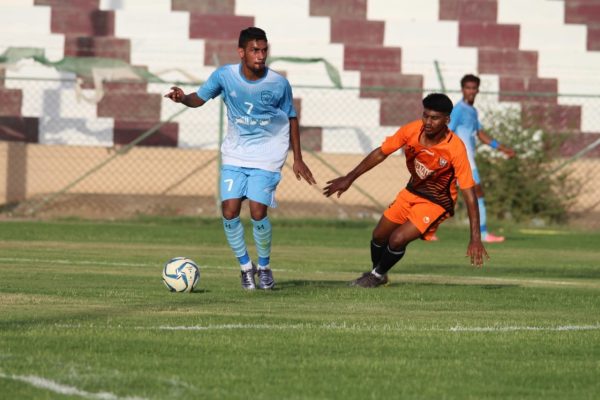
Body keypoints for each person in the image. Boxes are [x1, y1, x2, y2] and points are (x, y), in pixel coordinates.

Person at [164, 27, 316, 290]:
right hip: (235, 153)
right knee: (229, 210)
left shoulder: (278, 83)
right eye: (255, 50)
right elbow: (198, 99)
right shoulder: (225, 75)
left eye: (264, 50)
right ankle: (246, 268)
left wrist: (298, 158)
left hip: (268, 154)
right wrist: (183, 98)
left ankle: (264, 267)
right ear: (241, 52)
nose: (261, 55)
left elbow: (291, 117)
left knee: (258, 212)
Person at [323, 93, 488, 288]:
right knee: (379, 235)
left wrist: (475, 238)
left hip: (437, 202)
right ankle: (379, 274)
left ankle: (375, 276)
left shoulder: (455, 148)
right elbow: (381, 153)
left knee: (397, 239)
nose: (428, 122)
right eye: (425, 115)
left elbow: (469, 194)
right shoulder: (411, 131)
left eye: (435, 118)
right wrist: (349, 178)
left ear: (447, 120)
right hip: (412, 192)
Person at [449, 74, 515, 243]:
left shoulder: (472, 111)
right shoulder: (458, 110)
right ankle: (483, 234)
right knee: (476, 194)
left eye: (473, 88)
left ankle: (426, 229)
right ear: (462, 89)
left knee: (449, 195)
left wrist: (502, 148)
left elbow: (480, 134)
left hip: (467, 159)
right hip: (462, 159)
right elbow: (447, 131)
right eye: (467, 88)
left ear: (478, 90)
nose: (470, 91)